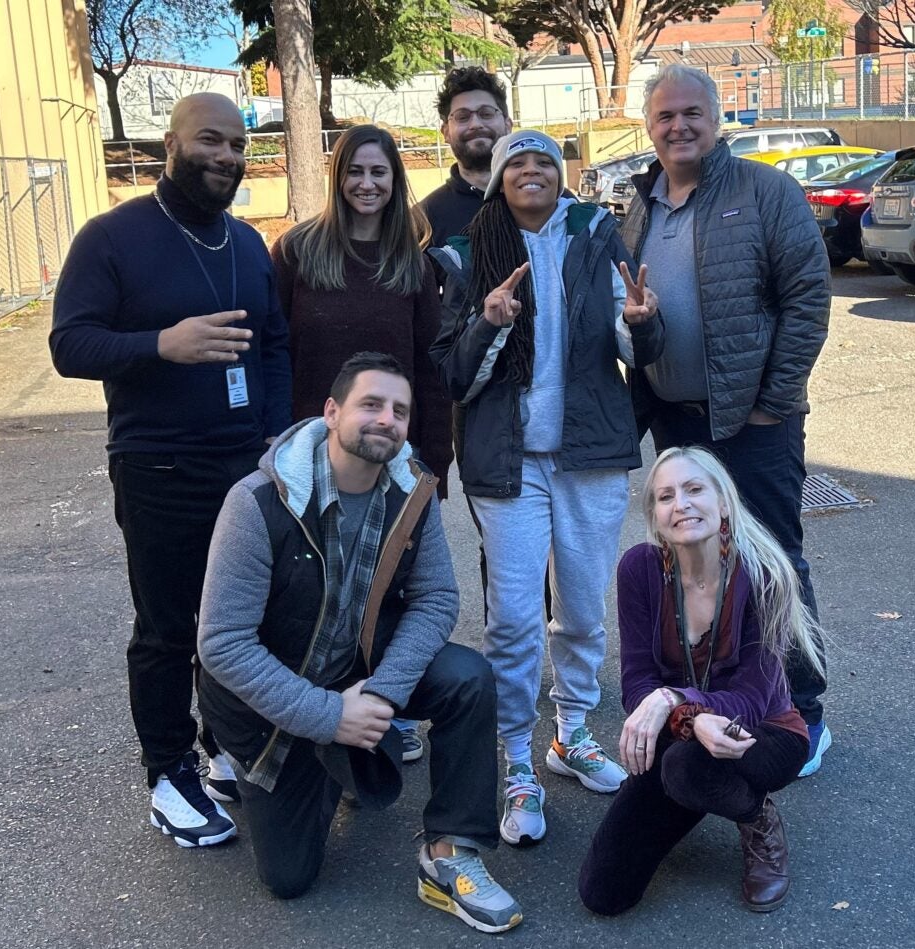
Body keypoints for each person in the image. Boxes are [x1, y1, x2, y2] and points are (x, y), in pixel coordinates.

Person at [195, 352, 522, 934]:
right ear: (330, 412)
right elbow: (223, 644)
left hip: (359, 668)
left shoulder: (412, 492)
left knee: (468, 679)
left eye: (400, 410)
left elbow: (437, 599)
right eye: (371, 404)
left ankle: (450, 855)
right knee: (289, 878)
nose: (387, 420)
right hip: (272, 701)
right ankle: (333, 760)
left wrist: (382, 696)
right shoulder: (257, 502)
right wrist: (328, 717)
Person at [48, 92, 292, 845]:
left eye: (238, 147)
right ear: (171, 143)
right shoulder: (112, 237)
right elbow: (69, 345)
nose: (225, 156)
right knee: (168, 628)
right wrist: (161, 344)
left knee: (241, 620)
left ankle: (220, 744)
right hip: (157, 465)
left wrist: (274, 441)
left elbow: (273, 344)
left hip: (245, 470)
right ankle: (167, 771)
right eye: (210, 141)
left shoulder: (247, 243)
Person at [430, 130, 664, 846]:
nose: (531, 172)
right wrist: (489, 325)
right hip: (508, 460)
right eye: (516, 164)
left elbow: (638, 342)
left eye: (544, 164)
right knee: (513, 621)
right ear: (498, 181)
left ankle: (570, 734)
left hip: (588, 451)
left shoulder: (597, 233)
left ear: (561, 179)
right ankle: (517, 762)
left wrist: (641, 326)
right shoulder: (465, 255)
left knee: (585, 608)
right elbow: (450, 374)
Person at [620, 64, 832, 776]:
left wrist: (773, 401)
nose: (678, 127)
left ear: (716, 117)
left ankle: (802, 708)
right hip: (675, 426)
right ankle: (717, 696)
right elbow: (639, 321)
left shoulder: (765, 192)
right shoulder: (639, 209)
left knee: (774, 561)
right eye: (664, 117)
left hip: (755, 422)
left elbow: (807, 297)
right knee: (695, 566)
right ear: (648, 129)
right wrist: (642, 337)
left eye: (690, 113)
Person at [271, 124, 452, 762]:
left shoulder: (412, 263)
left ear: (395, 180)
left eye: (379, 173)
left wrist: (434, 460)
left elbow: (431, 368)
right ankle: (308, 710)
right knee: (313, 584)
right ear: (337, 177)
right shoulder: (297, 252)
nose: (366, 185)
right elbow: (275, 352)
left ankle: (380, 706)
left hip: (389, 456)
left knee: (386, 585)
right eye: (355, 172)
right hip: (307, 455)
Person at [579, 447, 824, 915]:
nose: (681, 504)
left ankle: (756, 817)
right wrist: (690, 721)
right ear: (654, 515)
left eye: (694, 489)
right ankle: (696, 786)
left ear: (724, 502)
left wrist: (676, 702)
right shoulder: (639, 569)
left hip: (765, 732)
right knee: (604, 893)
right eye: (666, 496)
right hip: (682, 737)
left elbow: (753, 697)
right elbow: (636, 682)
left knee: (688, 769)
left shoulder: (765, 574)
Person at [421, 65, 513, 247]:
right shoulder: (424, 220)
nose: (476, 124)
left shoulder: (551, 202)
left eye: (486, 114)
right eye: (462, 117)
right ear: (445, 132)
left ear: (508, 124)